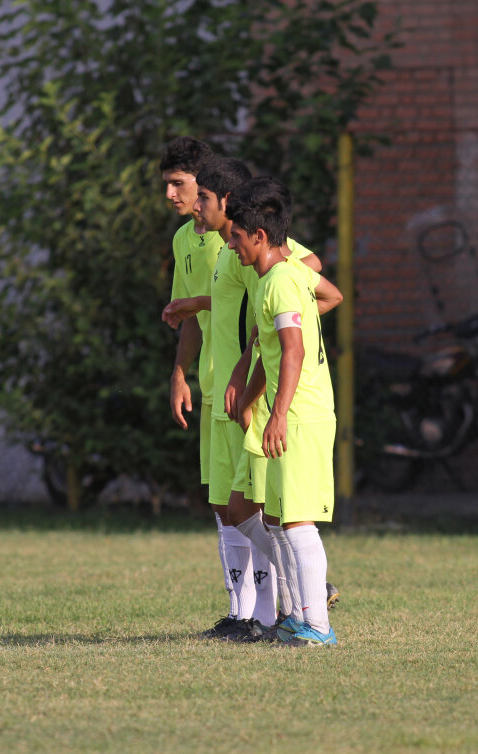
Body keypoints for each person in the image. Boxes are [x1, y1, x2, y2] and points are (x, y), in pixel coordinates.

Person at [225, 176, 338, 647]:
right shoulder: (282, 275)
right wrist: (251, 399)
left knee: (296, 521)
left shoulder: (281, 282)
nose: (230, 244)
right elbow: (279, 346)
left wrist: (278, 414)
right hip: (288, 410)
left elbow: (292, 351)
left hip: (301, 415)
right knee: (274, 519)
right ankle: (296, 618)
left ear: (259, 235)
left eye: (235, 236)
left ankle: (317, 627)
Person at [159, 137, 244, 637]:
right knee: (221, 503)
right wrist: (179, 374)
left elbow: (281, 280)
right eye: (166, 185)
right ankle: (240, 612)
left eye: (179, 184)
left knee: (251, 501)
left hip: (244, 382)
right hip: (212, 384)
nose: (171, 194)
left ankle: (298, 589)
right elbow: (189, 315)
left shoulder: (235, 233)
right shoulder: (183, 240)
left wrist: (200, 303)